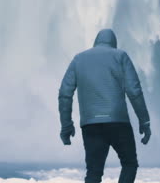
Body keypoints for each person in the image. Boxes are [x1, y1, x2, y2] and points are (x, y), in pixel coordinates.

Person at [58, 28, 151, 183]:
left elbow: (65, 95)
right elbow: (134, 91)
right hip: (118, 122)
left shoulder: (78, 59)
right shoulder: (120, 56)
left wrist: (66, 126)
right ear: (113, 44)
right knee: (129, 164)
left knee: (94, 172)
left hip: (90, 124)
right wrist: (145, 122)